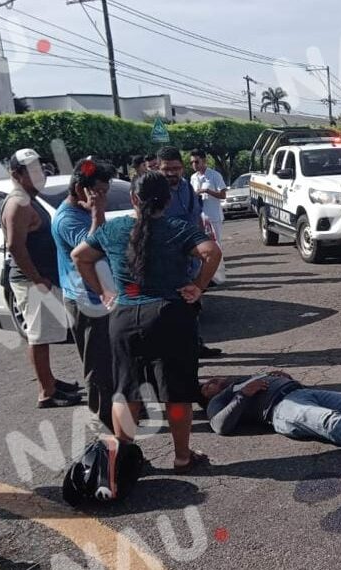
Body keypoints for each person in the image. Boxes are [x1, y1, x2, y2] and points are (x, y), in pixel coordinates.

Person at [72, 172, 222, 473]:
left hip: (125, 317)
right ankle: (182, 457)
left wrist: (104, 292)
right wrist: (198, 285)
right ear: (167, 201)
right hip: (169, 315)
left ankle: (123, 459)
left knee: (126, 390)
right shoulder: (177, 228)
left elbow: (80, 256)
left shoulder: (113, 229)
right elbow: (211, 251)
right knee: (176, 390)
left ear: (133, 199)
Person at [1, 148, 81, 408]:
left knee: (45, 336)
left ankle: (51, 382)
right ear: (16, 174)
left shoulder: (29, 198)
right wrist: (36, 278)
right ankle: (46, 391)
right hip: (31, 281)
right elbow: (15, 245)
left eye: (40, 168)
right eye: (32, 170)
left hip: (41, 278)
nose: (40, 174)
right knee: (39, 337)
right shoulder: (19, 203)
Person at [52, 157, 118, 430]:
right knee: (99, 366)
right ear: (81, 188)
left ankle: (117, 413)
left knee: (112, 362)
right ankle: (104, 422)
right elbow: (94, 247)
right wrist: (97, 213)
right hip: (87, 303)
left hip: (100, 298)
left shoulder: (80, 211)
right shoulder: (68, 219)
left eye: (105, 191)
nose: (104, 197)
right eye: (99, 191)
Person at [201, 371, 341, 456]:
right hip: (280, 409)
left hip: (302, 391)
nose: (211, 382)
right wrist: (243, 395)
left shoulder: (239, 379)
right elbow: (219, 426)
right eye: (206, 387)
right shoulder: (219, 400)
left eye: (210, 380)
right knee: (330, 421)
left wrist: (283, 378)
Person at [156, 146, 221, 358]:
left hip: (190, 259)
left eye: (176, 168)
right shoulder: (154, 191)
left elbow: (197, 220)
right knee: (170, 311)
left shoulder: (187, 188)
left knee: (193, 306)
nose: (172, 173)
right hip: (169, 260)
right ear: (159, 167)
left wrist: (202, 253)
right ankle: (177, 352)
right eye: (167, 169)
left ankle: (196, 345)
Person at [189, 149, 227, 244]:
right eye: (192, 162)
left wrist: (207, 191)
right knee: (202, 244)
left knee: (216, 244)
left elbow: (223, 195)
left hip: (213, 217)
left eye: (197, 161)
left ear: (204, 161)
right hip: (199, 217)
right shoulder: (193, 177)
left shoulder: (215, 175)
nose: (194, 164)